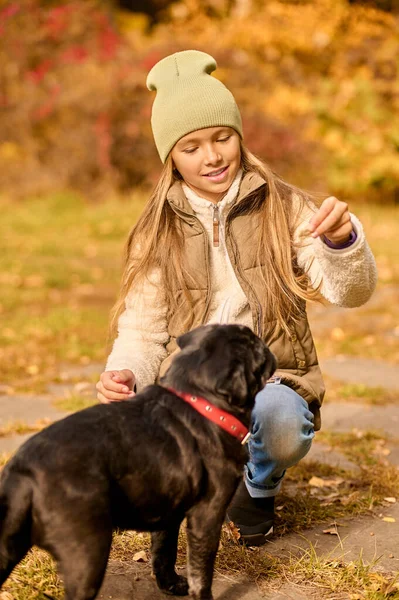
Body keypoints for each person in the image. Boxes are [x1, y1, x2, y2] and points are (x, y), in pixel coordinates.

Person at [96, 50, 377, 546]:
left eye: (222, 137)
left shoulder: (284, 207)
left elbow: (350, 292)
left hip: (272, 378)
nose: (212, 156)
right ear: (171, 158)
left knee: (281, 421)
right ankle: (201, 478)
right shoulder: (156, 232)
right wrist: (128, 373)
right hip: (192, 387)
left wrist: (340, 244)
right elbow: (143, 330)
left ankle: (258, 486)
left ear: (239, 136)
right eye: (191, 146)